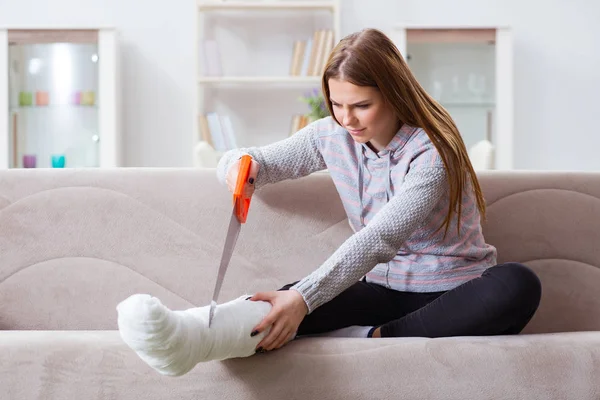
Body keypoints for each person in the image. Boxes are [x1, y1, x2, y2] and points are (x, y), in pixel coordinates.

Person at [217, 28, 542, 353]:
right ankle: (201, 332)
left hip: (452, 292)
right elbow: (259, 161)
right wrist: (236, 166)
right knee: (279, 303)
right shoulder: (329, 135)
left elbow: (378, 239)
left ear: (392, 94)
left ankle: (375, 338)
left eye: (361, 105)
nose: (347, 119)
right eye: (336, 104)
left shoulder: (433, 151)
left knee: (517, 284)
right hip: (381, 291)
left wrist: (305, 298)